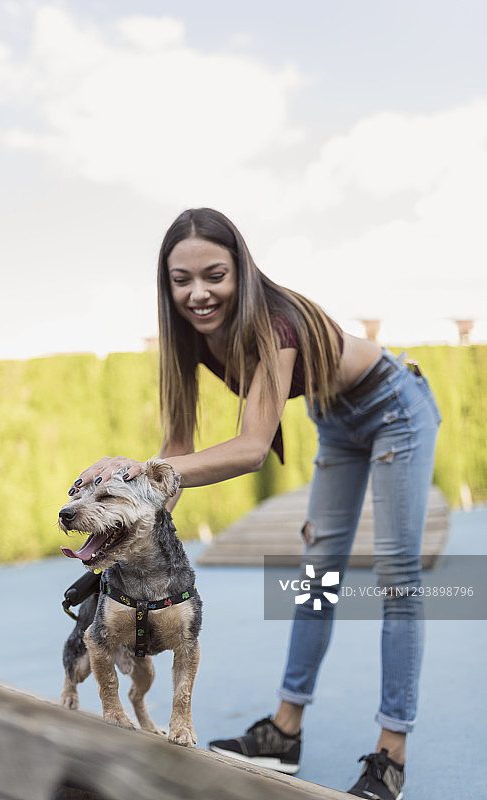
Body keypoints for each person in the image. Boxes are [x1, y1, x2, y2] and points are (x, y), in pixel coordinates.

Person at [70, 208, 441, 799]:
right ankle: (284, 733)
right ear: (165, 283)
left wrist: (137, 469)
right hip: (335, 420)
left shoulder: (274, 322)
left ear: (241, 269)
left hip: (394, 404)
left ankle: (390, 754)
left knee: (397, 578)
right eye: (181, 279)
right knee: (317, 574)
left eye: (214, 274)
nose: (198, 293)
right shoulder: (184, 337)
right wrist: (123, 534)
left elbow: (249, 449)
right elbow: (175, 458)